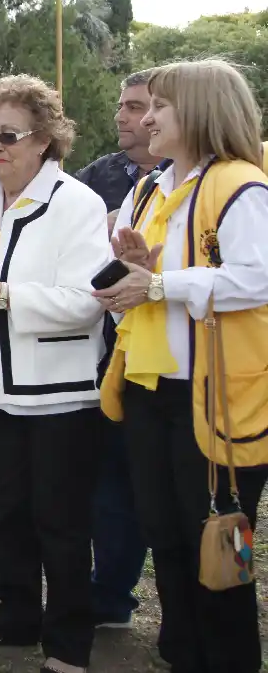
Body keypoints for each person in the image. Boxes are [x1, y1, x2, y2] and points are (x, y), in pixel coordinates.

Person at [0, 75, 110, 673]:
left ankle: (68, 646)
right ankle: (15, 618)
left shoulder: (76, 203)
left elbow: (87, 302)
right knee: (3, 510)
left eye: (9, 135)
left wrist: (0, 293)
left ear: (46, 139)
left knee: (59, 523)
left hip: (58, 394)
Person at [94, 59, 268, 673]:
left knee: (224, 544)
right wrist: (129, 277)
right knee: (165, 536)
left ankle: (231, 660)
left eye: (158, 108)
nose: (146, 119)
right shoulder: (147, 189)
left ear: (196, 112)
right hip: (148, 390)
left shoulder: (242, 183)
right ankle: (183, 654)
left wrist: (160, 282)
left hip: (220, 400)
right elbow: (141, 282)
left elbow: (257, 278)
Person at [73, 70, 159, 629]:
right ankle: (109, 597)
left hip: (190, 372)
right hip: (108, 352)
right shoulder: (101, 177)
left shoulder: (225, 184)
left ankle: (207, 622)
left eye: (141, 107)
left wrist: (155, 280)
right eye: (123, 106)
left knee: (191, 503)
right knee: (110, 483)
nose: (126, 117)